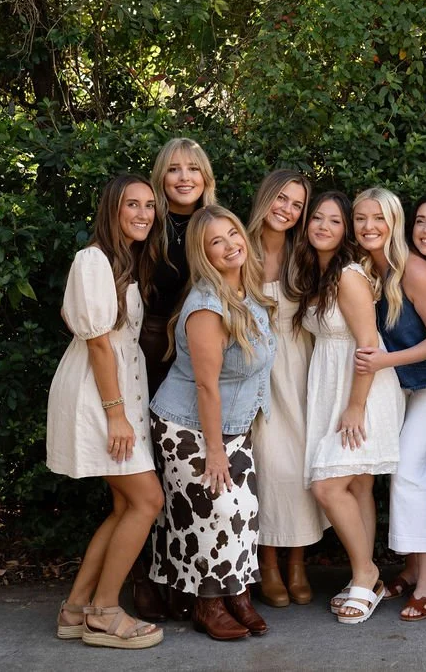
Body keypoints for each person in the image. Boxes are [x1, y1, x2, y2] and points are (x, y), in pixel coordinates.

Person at [46, 173, 165, 650]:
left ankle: (76, 608)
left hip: (119, 391)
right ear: (112, 209)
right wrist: (116, 414)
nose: (143, 214)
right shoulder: (93, 260)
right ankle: (105, 612)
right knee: (147, 500)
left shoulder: (125, 263)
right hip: (99, 395)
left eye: (149, 205)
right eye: (132, 204)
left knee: (125, 506)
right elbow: (98, 343)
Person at [149, 205, 277, 641]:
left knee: (244, 510)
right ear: (203, 254)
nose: (229, 246)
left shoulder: (246, 291)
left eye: (232, 234)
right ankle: (207, 604)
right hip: (189, 427)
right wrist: (215, 451)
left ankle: (236, 593)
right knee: (212, 512)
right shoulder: (207, 307)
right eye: (215, 242)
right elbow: (206, 386)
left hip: (232, 424)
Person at [292, 191, 404, 625]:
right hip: (331, 385)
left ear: (345, 233)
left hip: (362, 389)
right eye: (317, 218)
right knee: (357, 486)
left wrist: (356, 406)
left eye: (335, 221)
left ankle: (365, 572)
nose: (323, 226)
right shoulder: (316, 274)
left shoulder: (349, 275)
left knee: (327, 486)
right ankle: (367, 580)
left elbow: (369, 345)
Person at [351, 189, 426, 621]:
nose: (369, 227)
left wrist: (384, 361)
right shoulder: (366, 269)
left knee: (410, 469)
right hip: (401, 385)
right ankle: (413, 568)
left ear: (394, 222)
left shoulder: (413, 270)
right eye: (361, 218)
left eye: (378, 218)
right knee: (401, 468)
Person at [136, 137, 218, 621]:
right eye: (174, 169)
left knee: (189, 470)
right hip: (150, 352)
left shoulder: (215, 224)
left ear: (206, 176)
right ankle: (145, 576)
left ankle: (186, 576)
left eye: (193, 168)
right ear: (160, 177)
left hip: (200, 356)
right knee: (146, 468)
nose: (184, 177)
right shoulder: (149, 224)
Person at [245, 170, 328, 607]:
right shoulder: (240, 245)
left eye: (297, 204)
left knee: (301, 466)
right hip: (253, 367)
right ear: (266, 197)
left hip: (301, 365)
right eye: (281, 198)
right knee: (266, 464)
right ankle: (268, 563)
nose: (287, 210)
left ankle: (298, 562)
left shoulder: (304, 252)